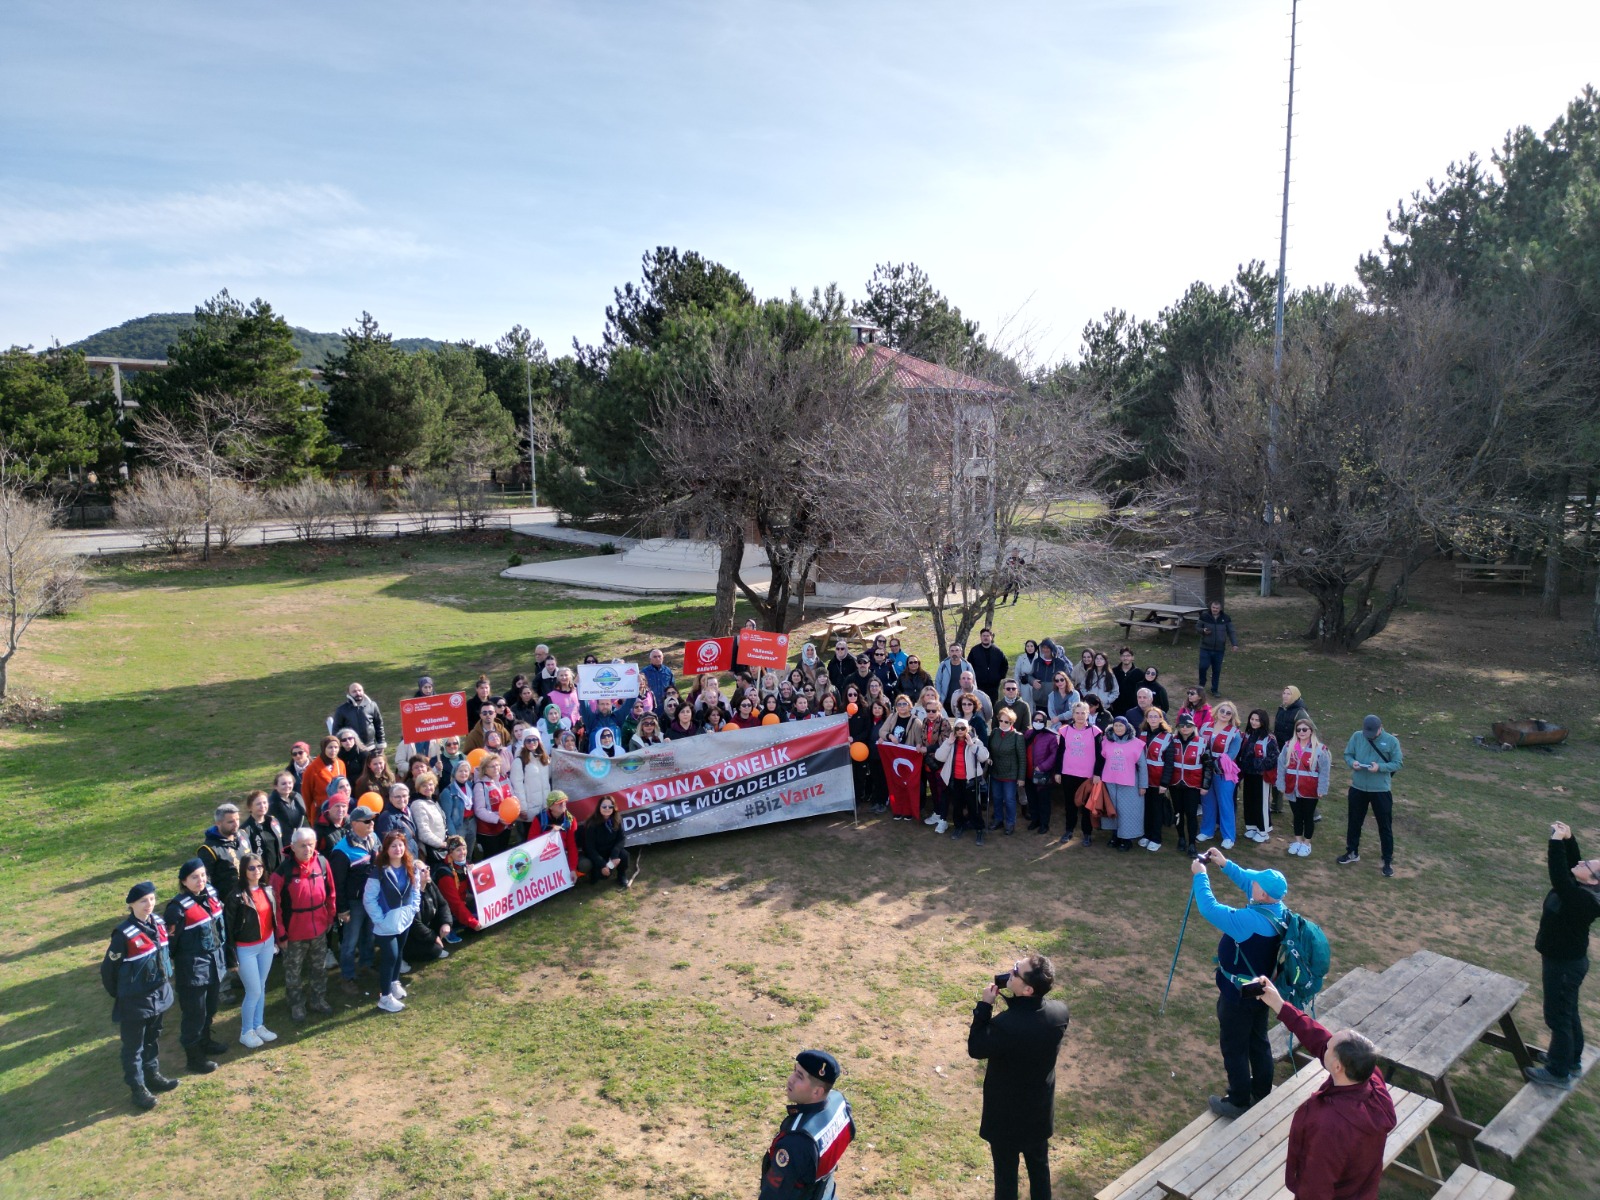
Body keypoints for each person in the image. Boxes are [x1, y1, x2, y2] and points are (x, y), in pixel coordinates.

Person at [1252, 976, 1394, 1199]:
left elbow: (1316, 1188)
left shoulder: (1330, 1126)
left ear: (1337, 1067)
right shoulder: (1371, 1078)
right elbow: (1318, 1037)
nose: (1323, 1045)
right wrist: (1278, 1003)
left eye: (1328, 1047)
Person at [1191, 849, 1287, 1117]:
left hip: (1237, 995)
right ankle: (1262, 1090)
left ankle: (1238, 1101)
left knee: (1234, 1047)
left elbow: (1209, 908)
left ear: (1262, 894)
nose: (1251, 882)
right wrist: (1225, 864)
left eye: (1256, 883)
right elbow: (1248, 882)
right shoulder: (1277, 910)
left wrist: (1201, 876)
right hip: (1262, 990)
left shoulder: (1248, 921)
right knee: (1258, 1040)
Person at [967, 954, 1071, 1200]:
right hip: (1038, 1113)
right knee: (1040, 1171)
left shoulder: (1006, 1026)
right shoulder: (1060, 1014)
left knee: (1006, 1180)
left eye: (1015, 971)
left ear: (1027, 989)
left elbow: (976, 1048)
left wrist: (984, 1007)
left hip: (1006, 1119)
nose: (1010, 972)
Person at [1529, 821, 1600, 1090]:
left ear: (1592, 880)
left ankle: (1558, 1072)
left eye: (1587, 865)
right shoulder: (1585, 888)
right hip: (1567, 962)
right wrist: (1569, 839)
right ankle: (1571, 1059)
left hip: (1564, 965)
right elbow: (1571, 864)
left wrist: (1555, 842)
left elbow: (1558, 874)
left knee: (1557, 1016)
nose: (1581, 862)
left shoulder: (1582, 900)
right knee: (1568, 1012)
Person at [101, 881, 179, 1110]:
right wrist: (120, 994)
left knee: (152, 1038)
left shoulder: (159, 924)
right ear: (132, 905)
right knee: (133, 1047)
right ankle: (138, 1088)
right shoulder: (123, 934)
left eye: (152, 899)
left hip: (158, 995)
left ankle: (152, 1075)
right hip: (134, 1001)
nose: (149, 904)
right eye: (143, 901)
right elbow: (109, 970)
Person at [164, 859, 230, 1075]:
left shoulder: (211, 895)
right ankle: (194, 1059)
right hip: (192, 972)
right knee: (195, 1014)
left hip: (214, 965)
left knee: (210, 1008)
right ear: (184, 881)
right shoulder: (176, 909)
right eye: (194, 877)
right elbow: (169, 945)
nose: (200, 880)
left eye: (202, 875)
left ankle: (206, 1041)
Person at [759, 1050, 855, 1200]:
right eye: (794, 1071)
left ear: (817, 1092)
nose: (791, 1079)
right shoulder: (840, 1102)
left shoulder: (795, 1142)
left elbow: (773, 1195)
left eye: (799, 1076)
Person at [273, 827, 338, 1022]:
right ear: (293, 847)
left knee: (319, 968)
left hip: (319, 929)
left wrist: (330, 916)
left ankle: (318, 999)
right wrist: (281, 934)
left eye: (310, 844)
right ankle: (296, 1004)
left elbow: (331, 892)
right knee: (293, 972)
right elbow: (276, 908)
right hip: (294, 933)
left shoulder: (322, 863)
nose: (307, 849)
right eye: (302, 845)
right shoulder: (282, 873)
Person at [224, 853, 278, 1049]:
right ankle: (246, 1031)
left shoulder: (267, 890)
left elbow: (272, 917)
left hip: (266, 945)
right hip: (245, 949)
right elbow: (228, 929)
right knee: (253, 990)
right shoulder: (235, 897)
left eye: (260, 867)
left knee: (261, 987)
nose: (257, 871)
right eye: (252, 868)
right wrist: (231, 959)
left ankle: (258, 1025)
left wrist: (275, 941)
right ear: (243, 871)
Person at [363, 832, 421, 1013]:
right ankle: (385, 997)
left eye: (401, 845)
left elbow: (416, 890)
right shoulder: (378, 872)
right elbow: (369, 898)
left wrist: (413, 909)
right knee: (390, 956)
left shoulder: (411, 867)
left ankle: (394, 982)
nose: (398, 849)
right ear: (386, 849)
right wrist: (379, 919)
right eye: (393, 846)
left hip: (404, 920)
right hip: (386, 923)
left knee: (399, 952)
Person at [1340, 716, 1403, 876]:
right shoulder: (1357, 736)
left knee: (1385, 825)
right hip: (1358, 787)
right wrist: (1352, 763)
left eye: (1373, 733)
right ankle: (1352, 851)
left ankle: (1387, 860)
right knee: (1354, 821)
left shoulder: (1391, 741)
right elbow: (1348, 754)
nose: (1370, 736)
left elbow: (1398, 763)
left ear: (1380, 728)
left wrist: (1380, 767)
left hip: (1380, 790)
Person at [330, 807, 380, 995]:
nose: (371, 823)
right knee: (350, 942)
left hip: (371, 899)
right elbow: (338, 883)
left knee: (369, 934)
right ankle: (347, 977)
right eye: (367, 821)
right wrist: (342, 909)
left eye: (372, 820)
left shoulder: (373, 838)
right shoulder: (341, 851)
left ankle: (366, 964)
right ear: (354, 824)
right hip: (354, 902)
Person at [935, 717, 991, 846]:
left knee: (974, 806)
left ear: (968, 729)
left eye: (963, 728)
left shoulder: (975, 741)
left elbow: (984, 757)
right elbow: (939, 757)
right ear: (954, 729)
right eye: (957, 728)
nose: (960, 730)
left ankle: (979, 829)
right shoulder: (950, 741)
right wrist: (948, 743)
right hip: (955, 780)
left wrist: (972, 745)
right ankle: (958, 826)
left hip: (970, 780)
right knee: (957, 806)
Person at [1197, 701, 1242, 850]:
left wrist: (1214, 764)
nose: (1224, 714)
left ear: (1232, 716)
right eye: (1222, 711)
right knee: (1207, 801)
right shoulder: (1205, 727)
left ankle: (1228, 836)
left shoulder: (1235, 733)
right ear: (1217, 712)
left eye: (1228, 713)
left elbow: (1231, 754)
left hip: (1224, 772)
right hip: (1206, 771)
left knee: (1225, 803)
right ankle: (1207, 831)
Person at [1057, 702, 1103, 847]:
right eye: (1077, 713)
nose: (1080, 716)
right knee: (1070, 804)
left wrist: (1097, 773)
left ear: (1088, 714)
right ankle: (1069, 830)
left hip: (1087, 776)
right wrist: (1058, 771)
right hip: (1068, 773)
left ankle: (1087, 833)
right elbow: (1060, 752)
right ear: (1073, 714)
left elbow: (1100, 755)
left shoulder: (1095, 731)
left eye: (1083, 713)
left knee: (1086, 806)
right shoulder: (1065, 730)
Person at [1102, 714, 1149, 851]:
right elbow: (1101, 761)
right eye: (1116, 725)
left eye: (1121, 725)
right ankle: (1115, 835)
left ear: (1127, 727)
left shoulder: (1136, 743)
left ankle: (1126, 839)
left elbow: (1142, 766)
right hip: (1110, 782)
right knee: (1113, 809)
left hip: (1129, 784)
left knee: (1127, 812)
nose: (1118, 728)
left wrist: (1143, 785)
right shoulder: (1106, 741)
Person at [1238, 710, 1280, 844]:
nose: (1254, 722)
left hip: (1261, 775)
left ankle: (1263, 830)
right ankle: (1251, 826)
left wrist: (1257, 764)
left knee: (1261, 802)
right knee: (1248, 800)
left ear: (1263, 721)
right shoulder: (1247, 734)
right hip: (1248, 773)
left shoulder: (1269, 738)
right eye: (1252, 719)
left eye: (1257, 720)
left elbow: (1274, 758)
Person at [987, 707, 1027, 835]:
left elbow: (1022, 759)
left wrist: (1021, 778)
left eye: (1006, 722)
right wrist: (988, 757)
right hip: (996, 772)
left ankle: (1010, 823)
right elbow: (989, 749)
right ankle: (998, 819)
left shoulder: (1017, 737)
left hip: (1010, 774)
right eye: (1001, 721)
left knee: (1009, 799)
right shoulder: (994, 732)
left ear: (1012, 723)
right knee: (997, 798)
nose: (1003, 724)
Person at [1271, 686, 1310, 816]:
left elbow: (1307, 730)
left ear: (1295, 696)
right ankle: (1276, 805)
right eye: (1284, 693)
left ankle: (1312, 812)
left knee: (1295, 779)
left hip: (1294, 750)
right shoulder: (1281, 709)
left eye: (1289, 694)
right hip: (1279, 748)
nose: (1285, 696)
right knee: (1278, 775)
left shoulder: (1300, 712)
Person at [1139, 708, 1173, 852]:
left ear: (1161, 719)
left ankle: (1156, 838)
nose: (1153, 719)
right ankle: (1146, 834)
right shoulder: (1142, 734)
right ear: (1146, 719)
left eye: (1155, 716)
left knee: (1157, 809)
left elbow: (1169, 763)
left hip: (1158, 780)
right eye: (1150, 716)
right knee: (1146, 808)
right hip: (1143, 778)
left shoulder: (1168, 737)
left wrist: (1164, 783)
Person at [1023, 711, 1061, 836]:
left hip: (1043, 774)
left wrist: (1042, 767)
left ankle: (1044, 824)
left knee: (1043, 801)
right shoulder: (1028, 734)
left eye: (1041, 720)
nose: (1038, 722)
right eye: (1036, 720)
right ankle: (1035, 820)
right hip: (1028, 773)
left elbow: (1054, 755)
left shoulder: (1051, 736)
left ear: (1045, 722)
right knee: (1032, 799)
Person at [581, 797, 632, 888]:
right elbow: (590, 848)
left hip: (611, 852)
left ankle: (621, 875)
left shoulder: (617, 819)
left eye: (610, 806)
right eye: (604, 806)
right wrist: (603, 864)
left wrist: (614, 855)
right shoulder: (591, 824)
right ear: (599, 807)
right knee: (603, 876)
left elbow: (621, 839)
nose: (607, 809)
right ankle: (597, 872)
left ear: (614, 808)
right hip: (598, 854)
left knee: (624, 855)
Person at [436, 835, 480, 936]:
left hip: (463, 901)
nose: (462, 853)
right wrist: (473, 922)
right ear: (450, 853)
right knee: (478, 921)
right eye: (458, 850)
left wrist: (473, 874)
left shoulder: (464, 865)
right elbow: (455, 904)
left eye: (464, 849)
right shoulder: (445, 874)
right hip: (448, 911)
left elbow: (473, 889)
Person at [1196, 599, 1240, 696]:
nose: (1215, 609)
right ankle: (1201, 684)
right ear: (1210, 607)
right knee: (1203, 667)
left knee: (1216, 670)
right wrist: (1203, 630)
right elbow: (1197, 628)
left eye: (1217, 608)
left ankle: (1214, 689)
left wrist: (1234, 644)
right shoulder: (1204, 616)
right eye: (1213, 607)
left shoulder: (1226, 618)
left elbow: (1231, 632)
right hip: (1205, 648)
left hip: (1219, 649)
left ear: (1220, 609)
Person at [240, 789, 285, 873]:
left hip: (280, 872)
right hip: (260, 874)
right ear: (250, 807)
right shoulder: (245, 830)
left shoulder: (273, 822)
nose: (262, 806)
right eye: (258, 804)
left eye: (265, 802)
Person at [329, 680, 384, 748]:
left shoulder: (372, 705)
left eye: (360, 690)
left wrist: (381, 743)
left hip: (371, 747)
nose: (358, 693)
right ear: (349, 693)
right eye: (354, 691)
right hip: (351, 749)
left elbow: (379, 725)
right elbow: (336, 731)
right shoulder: (341, 710)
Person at [303, 735, 347, 813]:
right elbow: (306, 794)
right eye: (330, 747)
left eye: (336, 747)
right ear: (324, 748)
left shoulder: (340, 764)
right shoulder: (312, 768)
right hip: (322, 809)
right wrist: (310, 814)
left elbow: (344, 786)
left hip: (339, 808)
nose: (333, 750)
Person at [969, 628, 1009, 704]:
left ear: (991, 637)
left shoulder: (998, 651)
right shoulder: (974, 651)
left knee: (992, 705)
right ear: (980, 637)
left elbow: (1005, 665)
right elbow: (970, 666)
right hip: (978, 685)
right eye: (983, 636)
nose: (985, 638)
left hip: (993, 686)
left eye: (987, 636)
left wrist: (999, 676)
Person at [269, 769, 307, 838]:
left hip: (300, 836)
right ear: (276, 786)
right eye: (283, 784)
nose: (287, 786)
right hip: (282, 839)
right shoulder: (271, 803)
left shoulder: (297, 797)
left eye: (290, 783)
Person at [1110, 646, 1142, 719]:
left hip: (1133, 708)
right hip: (1116, 708)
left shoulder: (1139, 673)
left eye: (1128, 656)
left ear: (1132, 657)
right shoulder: (1113, 672)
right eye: (1123, 656)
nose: (1125, 658)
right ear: (1120, 658)